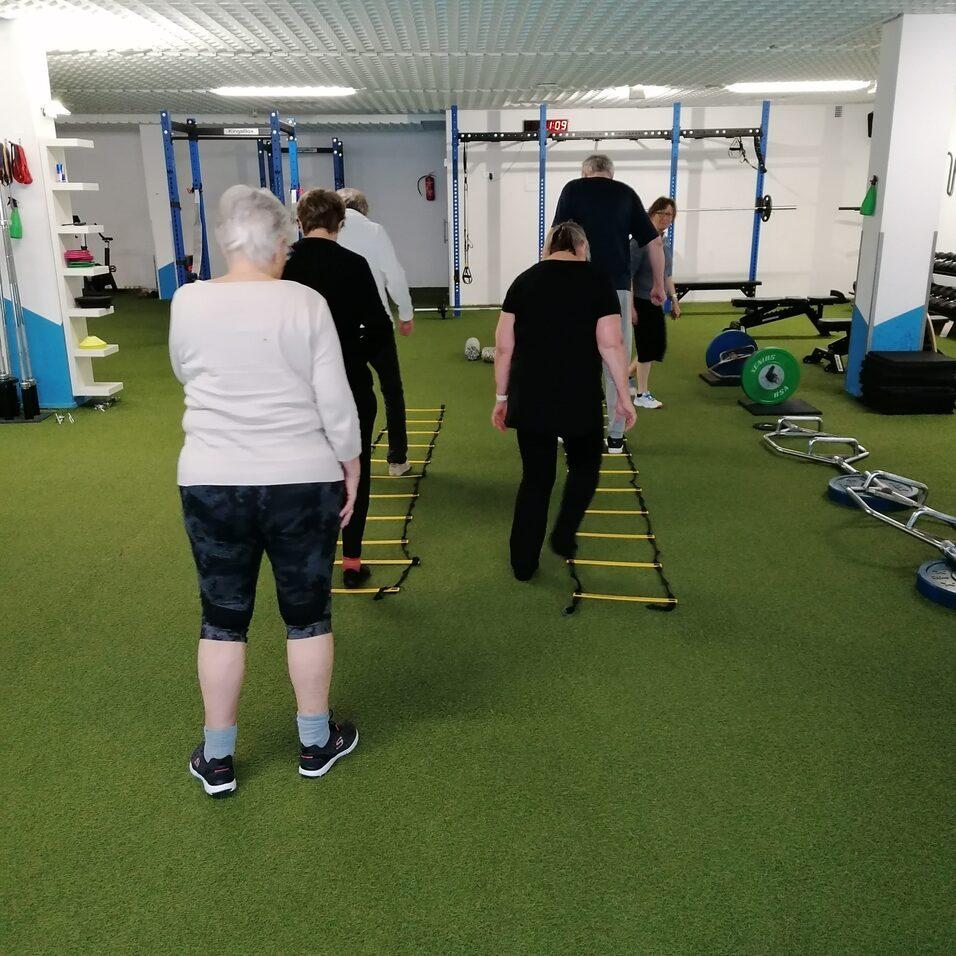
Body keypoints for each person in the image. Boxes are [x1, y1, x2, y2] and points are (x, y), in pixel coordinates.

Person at [170, 185, 361, 798]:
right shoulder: (304, 303)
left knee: (222, 619)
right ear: (280, 243)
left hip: (211, 481)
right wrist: (350, 463)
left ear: (225, 242)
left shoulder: (186, 302)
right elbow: (335, 400)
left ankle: (219, 758)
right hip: (302, 480)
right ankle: (313, 742)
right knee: (307, 615)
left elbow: (185, 369)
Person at [492, 221, 636, 581]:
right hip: (578, 397)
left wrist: (501, 396)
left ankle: (523, 564)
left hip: (530, 396)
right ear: (582, 247)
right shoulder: (598, 280)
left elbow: (504, 347)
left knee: (536, 479)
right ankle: (564, 533)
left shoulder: (523, 281)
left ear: (549, 247)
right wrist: (623, 395)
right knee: (585, 468)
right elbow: (611, 344)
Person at [282, 188, 392, 591]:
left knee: (303, 472)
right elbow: (380, 328)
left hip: (296, 388)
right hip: (349, 384)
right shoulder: (354, 264)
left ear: (300, 222)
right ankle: (351, 561)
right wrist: (350, 355)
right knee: (353, 470)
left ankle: (306, 559)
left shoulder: (283, 265)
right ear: (340, 224)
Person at [552, 154, 664, 454]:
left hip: (576, 286)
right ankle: (615, 437)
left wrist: (548, 280)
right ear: (610, 175)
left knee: (572, 357)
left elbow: (555, 238)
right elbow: (653, 242)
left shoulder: (572, 189)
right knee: (615, 361)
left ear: (585, 172)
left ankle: (569, 426)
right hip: (615, 290)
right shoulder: (626, 193)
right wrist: (657, 284)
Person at [337, 187, 413, 476]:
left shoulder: (328, 232)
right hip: (376, 324)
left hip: (342, 328)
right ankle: (397, 460)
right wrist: (405, 313)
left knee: (347, 393)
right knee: (392, 390)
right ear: (363, 208)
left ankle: (347, 462)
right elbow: (394, 274)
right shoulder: (374, 230)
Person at [630, 197, 680, 409]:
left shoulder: (663, 242)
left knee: (656, 346)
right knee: (647, 347)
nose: (666, 219)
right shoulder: (638, 243)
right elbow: (628, 275)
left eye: (670, 215)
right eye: (661, 213)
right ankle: (641, 394)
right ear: (651, 214)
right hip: (640, 300)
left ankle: (623, 378)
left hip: (656, 303)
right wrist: (630, 306)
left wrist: (674, 300)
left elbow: (667, 274)